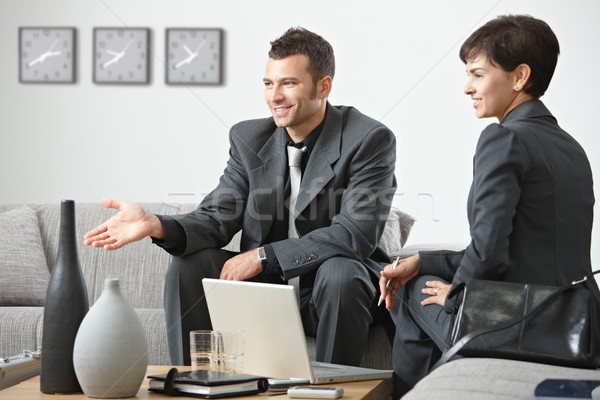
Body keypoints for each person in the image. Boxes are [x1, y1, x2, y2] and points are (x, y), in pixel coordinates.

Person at [84, 27, 397, 367]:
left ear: (323, 86)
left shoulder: (368, 139)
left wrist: (262, 256)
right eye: (268, 83)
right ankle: (194, 380)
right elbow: (219, 216)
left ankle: (333, 387)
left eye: (288, 83)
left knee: (340, 271)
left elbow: (353, 235)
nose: (274, 96)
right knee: (189, 265)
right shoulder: (248, 137)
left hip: (333, 295)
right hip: (265, 293)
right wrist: (155, 224)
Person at [378, 15, 597, 398]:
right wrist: (423, 261)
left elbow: (490, 253)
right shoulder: (570, 147)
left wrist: (457, 294)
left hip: (518, 320)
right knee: (417, 276)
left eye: (477, 74)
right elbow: (517, 248)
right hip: (578, 319)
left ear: (519, 77)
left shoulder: (502, 139)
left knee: (410, 295)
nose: (467, 87)